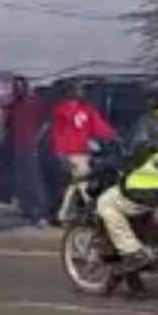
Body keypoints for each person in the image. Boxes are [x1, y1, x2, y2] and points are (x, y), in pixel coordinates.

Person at [93, 81, 158, 291]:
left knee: (106, 202)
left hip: (149, 185)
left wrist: (112, 161)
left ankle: (133, 252)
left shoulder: (151, 121)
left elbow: (133, 152)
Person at [48, 81, 116, 221]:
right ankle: (93, 212)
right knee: (83, 183)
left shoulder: (71, 109)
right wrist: (114, 135)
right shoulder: (73, 110)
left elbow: (98, 127)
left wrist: (59, 152)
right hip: (75, 152)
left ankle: (63, 214)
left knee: (76, 183)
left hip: (76, 152)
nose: (81, 93)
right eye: (79, 90)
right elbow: (99, 127)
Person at [5, 77, 51, 225]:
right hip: (19, 149)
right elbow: (8, 126)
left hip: (32, 149)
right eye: (15, 87)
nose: (17, 90)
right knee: (22, 182)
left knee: (34, 182)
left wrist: (38, 139)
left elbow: (47, 122)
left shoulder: (34, 103)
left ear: (25, 87)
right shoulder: (13, 105)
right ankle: (28, 212)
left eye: (20, 87)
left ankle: (41, 214)